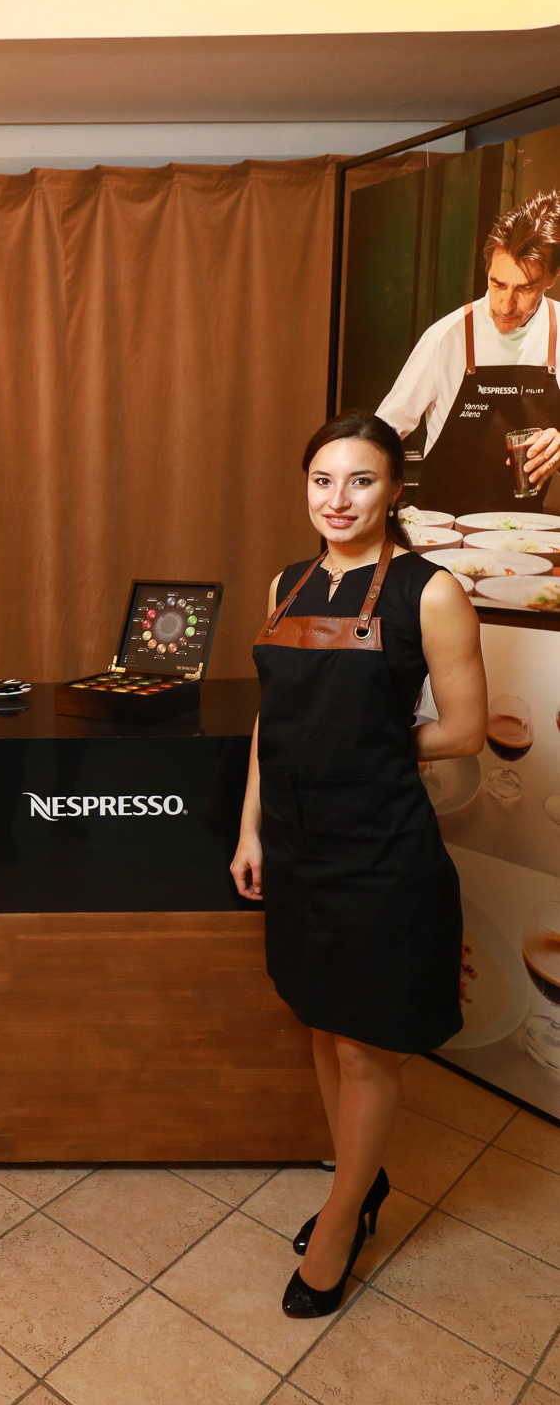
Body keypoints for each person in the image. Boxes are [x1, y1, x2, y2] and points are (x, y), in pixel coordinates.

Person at [231, 410, 486, 1318]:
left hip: (380, 849)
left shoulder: (431, 591)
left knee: (363, 1044)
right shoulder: (287, 582)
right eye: (321, 481)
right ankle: (358, 1178)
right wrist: (250, 829)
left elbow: (464, 729)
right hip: (296, 842)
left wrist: (370, 744)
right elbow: (272, 718)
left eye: (360, 480)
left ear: (394, 490)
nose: (336, 500)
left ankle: (341, 1223)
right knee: (317, 1016)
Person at [378, 191, 560, 513]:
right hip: (443, 530)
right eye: (498, 283)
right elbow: (382, 432)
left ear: (552, 278)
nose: (505, 305)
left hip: (527, 532)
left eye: (525, 288)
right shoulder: (446, 337)